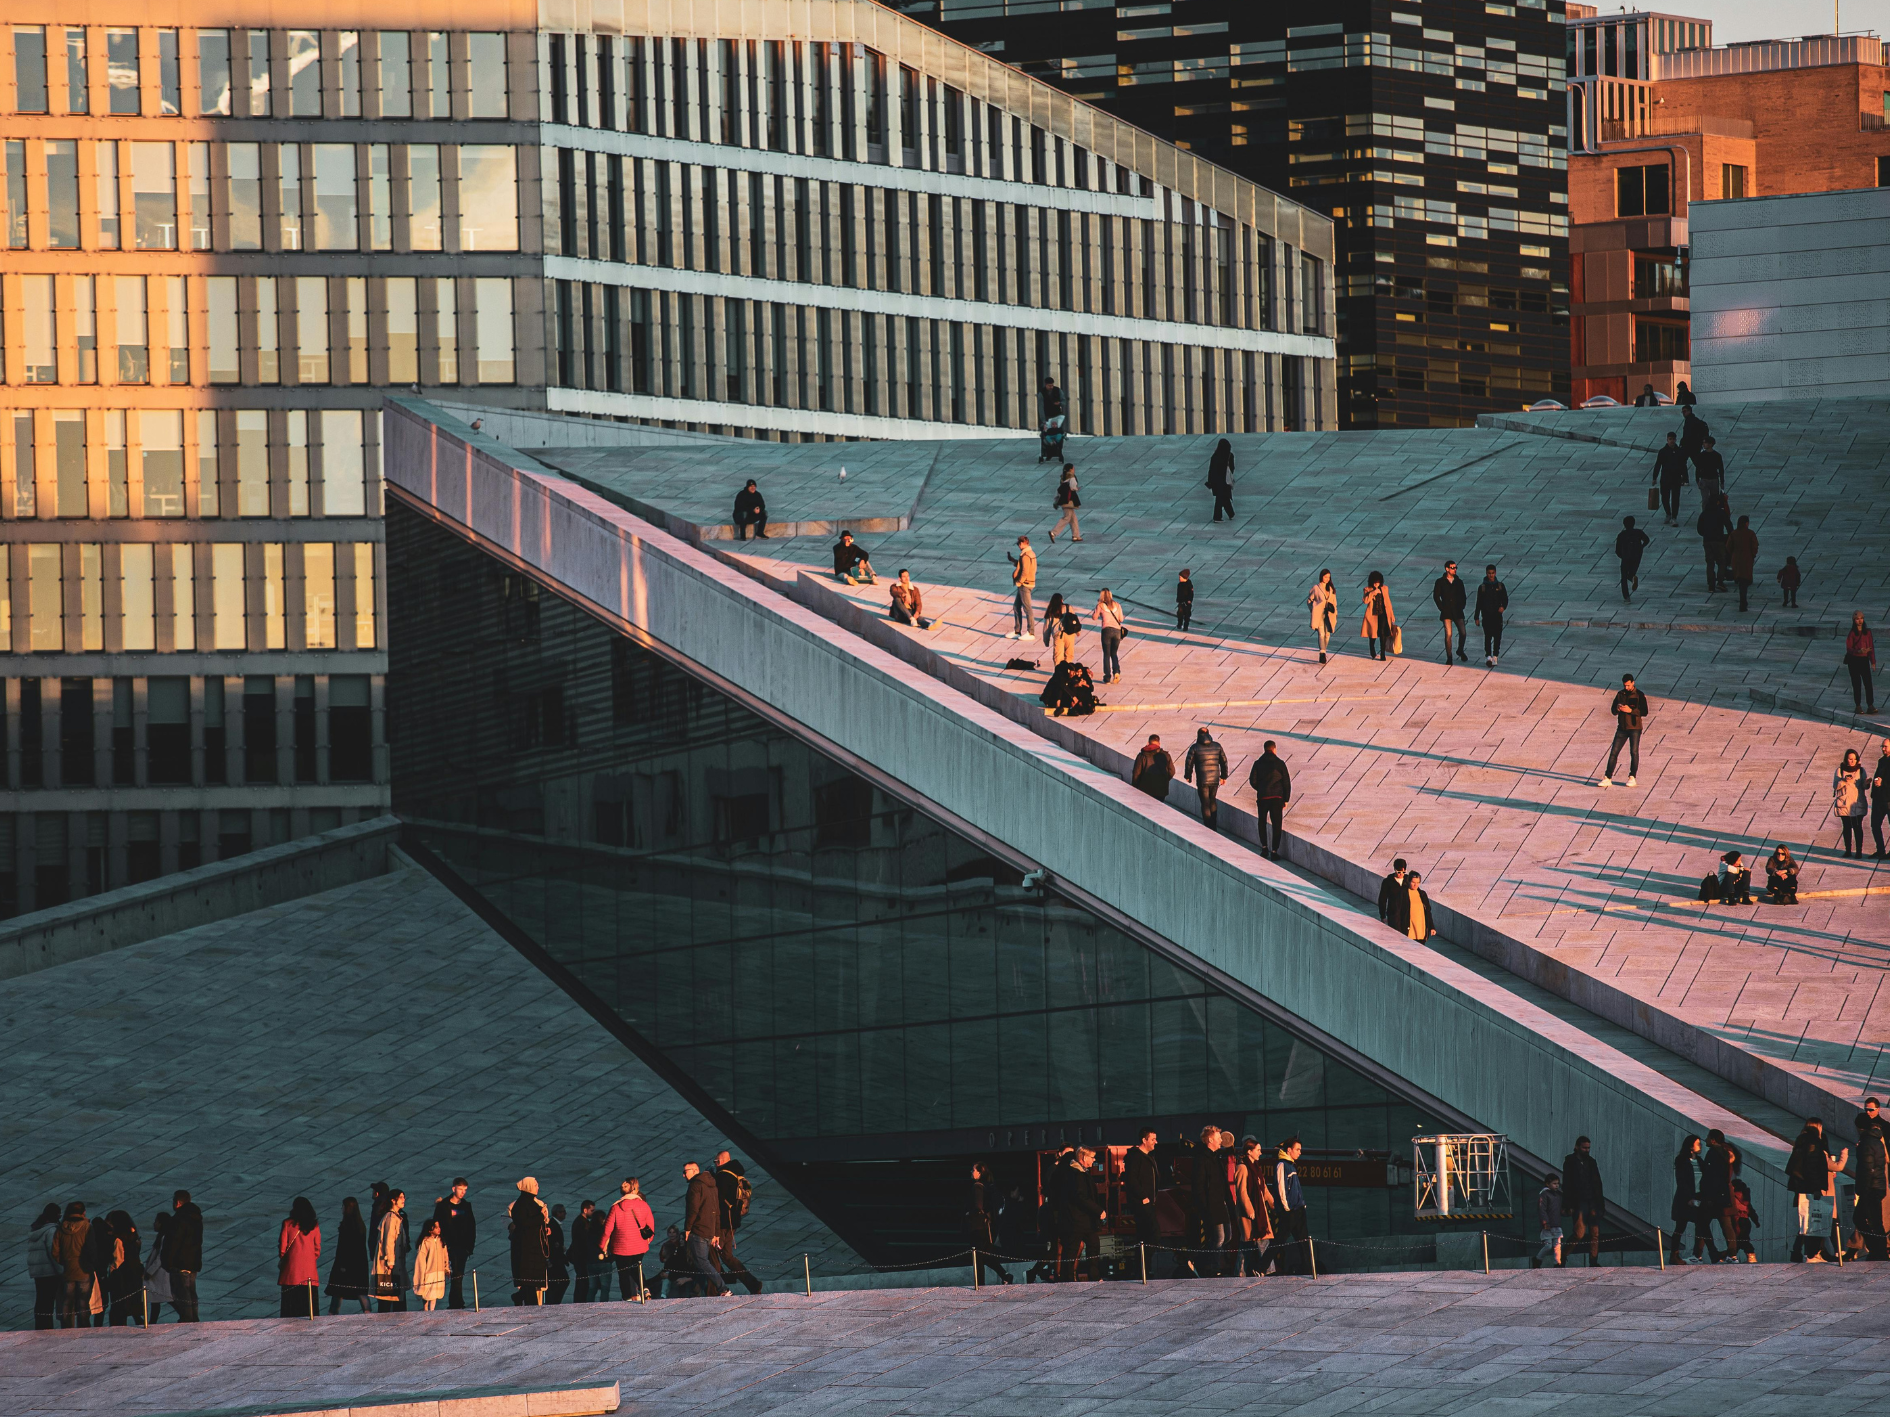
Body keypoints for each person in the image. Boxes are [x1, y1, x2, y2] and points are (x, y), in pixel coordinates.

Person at [1787, 1117, 1845, 1262]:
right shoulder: (1813, 1144)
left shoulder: (1800, 1142)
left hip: (1801, 1187)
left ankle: (1801, 1252)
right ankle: (1813, 1253)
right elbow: (1812, 1168)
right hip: (1811, 1188)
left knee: (1806, 1220)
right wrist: (1816, 1188)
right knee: (1817, 1220)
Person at [714, 1150, 764, 1295]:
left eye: (716, 1162)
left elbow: (718, 1201)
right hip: (733, 1221)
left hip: (724, 1222)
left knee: (715, 1253)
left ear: (722, 1161)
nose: (715, 1164)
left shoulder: (722, 1176)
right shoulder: (736, 1173)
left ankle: (720, 1286)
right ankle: (753, 1284)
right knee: (727, 1255)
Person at [600, 1177, 656, 1301]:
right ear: (635, 1189)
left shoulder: (615, 1207)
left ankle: (627, 1298)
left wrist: (602, 1246)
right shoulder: (643, 1205)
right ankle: (644, 1288)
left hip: (621, 1247)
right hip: (639, 1246)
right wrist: (647, 1240)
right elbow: (651, 1226)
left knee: (623, 1274)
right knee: (637, 1268)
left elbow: (607, 1230)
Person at [1057, 1147, 1106, 1282]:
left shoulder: (1079, 1172)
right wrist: (1098, 1210)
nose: (1094, 1160)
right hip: (1078, 1219)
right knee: (1074, 1249)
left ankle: (1092, 1276)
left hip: (1083, 1219)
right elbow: (1081, 1197)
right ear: (1084, 1158)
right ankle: (1067, 1279)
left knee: (1091, 1245)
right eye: (1092, 1157)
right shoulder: (1077, 1174)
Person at [682, 1161, 730, 1297]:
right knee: (702, 1262)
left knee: (702, 1262)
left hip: (698, 1230)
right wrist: (716, 1233)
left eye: (685, 1172)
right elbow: (717, 1210)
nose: (683, 1175)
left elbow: (693, 1210)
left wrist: (687, 1229)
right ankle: (699, 1291)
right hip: (709, 1230)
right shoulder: (712, 1185)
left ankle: (723, 1289)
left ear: (694, 1171)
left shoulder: (695, 1185)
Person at [1191, 1126, 1233, 1278]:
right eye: (1218, 1137)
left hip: (1221, 1205)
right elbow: (1199, 1186)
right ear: (1210, 1140)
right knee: (1219, 1237)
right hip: (1211, 1205)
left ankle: (1200, 1260)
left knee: (1227, 1236)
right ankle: (1213, 1268)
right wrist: (1204, 1207)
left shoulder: (1216, 1158)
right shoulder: (1202, 1159)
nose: (1221, 1140)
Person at [1854, 1097, 1890, 1262]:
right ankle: (1878, 1250)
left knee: (1866, 1219)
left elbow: (1867, 1167)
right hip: (1877, 1184)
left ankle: (1878, 1251)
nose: (1868, 1113)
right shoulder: (1873, 1139)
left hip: (1871, 1187)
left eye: (1871, 1109)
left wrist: (1863, 1189)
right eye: (1866, 1109)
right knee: (1873, 1220)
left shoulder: (1868, 1141)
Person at [1560, 1137, 1605, 1266]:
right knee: (1579, 1233)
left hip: (1592, 1202)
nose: (1587, 1150)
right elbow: (1567, 1183)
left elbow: (1597, 1183)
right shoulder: (1570, 1161)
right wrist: (1567, 1204)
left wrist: (1600, 1205)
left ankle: (1593, 1261)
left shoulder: (1591, 1162)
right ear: (1577, 1147)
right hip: (1579, 1202)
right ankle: (1563, 1256)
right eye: (1584, 1147)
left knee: (1595, 1233)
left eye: (1588, 1148)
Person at [1598, 674, 1648, 788]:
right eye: (1625, 685)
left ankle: (1632, 776)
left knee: (1634, 752)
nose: (1626, 687)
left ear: (1633, 683)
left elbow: (1644, 711)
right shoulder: (1620, 694)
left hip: (1635, 728)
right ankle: (1608, 777)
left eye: (1628, 685)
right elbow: (1613, 710)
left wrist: (1631, 710)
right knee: (1614, 752)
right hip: (1622, 728)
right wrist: (1618, 708)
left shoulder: (1639, 695)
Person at [1234, 1136, 1275, 1277]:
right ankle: (1261, 1270)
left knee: (1257, 1241)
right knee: (1250, 1242)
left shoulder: (1256, 1168)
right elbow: (1242, 1192)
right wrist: (1250, 1210)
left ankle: (1252, 1271)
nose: (1260, 1152)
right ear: (1250, 1151)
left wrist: (1272, 1203)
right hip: (1250, 1213)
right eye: (1258, 1150)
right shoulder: (1242, 1168)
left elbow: (1263, 1189)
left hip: (1260, 1212)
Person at [432, 1178, 475, 1310]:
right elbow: (436, 1224)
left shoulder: (466, 1206)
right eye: (460, 1189)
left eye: (465, 1190)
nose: (463, 1192)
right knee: (455, 1274)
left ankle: (456, 1302)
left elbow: (471, 1226)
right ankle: (456, 1302)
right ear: (453, 1189)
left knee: (458, 1274)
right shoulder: (444, 1205)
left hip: (462, 1246)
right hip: (448, 1245)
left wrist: (469, 1247)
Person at [1270, 1138, 1310, 1275]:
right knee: (1279, 1240)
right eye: (1297, 1149)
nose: (1300, 1152)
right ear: (1289, 1150)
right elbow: (1281, 1189)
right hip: (1290, 1211)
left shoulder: (1292, 1165)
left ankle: (1308, 1268)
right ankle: (1260, 1267)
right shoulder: (1282, 1165)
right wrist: (1287, 1208)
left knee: (1304, 1241)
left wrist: (1302, 1205)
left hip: (1298, 1209)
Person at [967, 1163, 1012, 1285]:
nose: (971, 1172)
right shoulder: (988, 1186)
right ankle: (1005, 1275)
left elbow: (978, 1206)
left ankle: (980, 1284)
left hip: (977, 1226)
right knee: (985, 1256)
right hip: (986, 1227)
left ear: (979, 1173)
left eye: (973, 1170)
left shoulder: (977, 1186)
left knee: (979, 1257)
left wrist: (968, 1213)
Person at [508, 1178, 549, 1305]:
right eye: (536, 1185)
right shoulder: (521, 1205)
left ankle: (520, 1297)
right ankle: (531, 1305)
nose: (538, 1187)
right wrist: (540, 1216)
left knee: (530, 1281)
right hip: (526, 1248)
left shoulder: (531, 1203)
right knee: (529, 1280)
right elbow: (523, 1223)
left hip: (533, 1247)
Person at [326, 1196, 370, 1314]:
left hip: (345, 1266)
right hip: (359, 1264)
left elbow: (344, 1248)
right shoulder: (360, 1225)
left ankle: (332, 1313)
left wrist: (342, 1265)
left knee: (338, 1290)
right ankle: (367, 1312)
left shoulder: (347, 1226)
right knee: (360, 1291)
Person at [278, 1196, 320, 1319]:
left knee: (290, 1305)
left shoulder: (287, 1224)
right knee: (308, 1303)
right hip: (309, 1270)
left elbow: (283, 1247)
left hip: (291, 1271)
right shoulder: (314, 1225)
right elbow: (317, 1248)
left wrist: (285, 1258)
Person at [1248, 740, 1291, 861]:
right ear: (1274, 749)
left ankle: (1264, 847)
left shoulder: (1258, 763)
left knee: (1262, 822)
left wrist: (1261, 789)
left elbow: (1252, 780)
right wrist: (1286, 799)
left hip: (1263, 797)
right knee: (1276, 824)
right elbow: (1286, 783)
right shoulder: (1280, 763)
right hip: (1277, 798)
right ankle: (1274, 850)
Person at [52, 1201, 91, 1330]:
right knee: (83, 1302)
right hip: (83, 1270)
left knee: (67, 1301)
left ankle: (67, 1327)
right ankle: (83, 1326)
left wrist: (64, 1262)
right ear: (83, 1212)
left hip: (68, 1270)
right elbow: (92, 1248)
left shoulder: (61, 1228)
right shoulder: (87, 1227)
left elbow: (55, 1251)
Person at [1698, 1129, 1735, 1262]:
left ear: (1713, 1140)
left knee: (1702, 1223)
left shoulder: (1713, 1152)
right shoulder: (1726, 1153)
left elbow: (1710, 1176)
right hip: (1724, 1196)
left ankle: (1703, 1254)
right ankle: (1732, 1254)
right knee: (1726, 1225)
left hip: (1713, 1197)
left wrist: (1706, 1195)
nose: (1706, 1139)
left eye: (1708, 1137)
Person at [1124, 1130, 1162, 1259]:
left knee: (1144, 1235)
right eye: (1152, 1139)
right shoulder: (1135, 1157)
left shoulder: (1149, 1157)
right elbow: (1131, 1179)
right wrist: (1143, 1197)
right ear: (1144, 1140)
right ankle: (1144, 1264)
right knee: (1153, 1233)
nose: (1155, 1142)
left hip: (1149, 1201)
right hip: (1142, 1202)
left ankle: (1142, 1267)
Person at [166, 1189, 203, 1323]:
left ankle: (187, 1319)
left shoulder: (179, 1219)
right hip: (193, 1261)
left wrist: (168, 1262)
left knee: (182, 1293)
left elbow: (174, 1242)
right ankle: (193, 1318)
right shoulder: (196, 1217)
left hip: (180, 1262)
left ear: (178, 1203)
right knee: (191, 1291)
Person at [373, 1189, 410, 1312]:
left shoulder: (396, 1217)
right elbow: (388, 1241)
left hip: (396, 1266)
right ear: (393, 1200)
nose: (403, 1200)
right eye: (400, 1197)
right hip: (391, 1267)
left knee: (396, 1296)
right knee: (388, 1297)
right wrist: (390, 1262)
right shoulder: (390, 1218)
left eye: (403, 1197)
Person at [1183, 727, 1228, 829]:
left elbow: (1189, 763)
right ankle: (1214, 825)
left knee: (1205, 802)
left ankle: (1208, 826)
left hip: (1202, 780)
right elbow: (1224, 762)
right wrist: (1224, 776)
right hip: (1214, 779)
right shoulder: (1217, 746)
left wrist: (1188, 776)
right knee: (1212, 800)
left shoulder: (1195, 747)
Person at [1669, 1137, 1702, 1265]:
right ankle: (1674, 1254)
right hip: (1685, 1200)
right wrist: (1689, 1198)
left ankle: (1698, 1254)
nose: (1700, 1146)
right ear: (1690, 1146)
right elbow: (1681, 1181)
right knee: (1680, 1227)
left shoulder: (1700, 1161)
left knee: (1701, 1226)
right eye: (1697, 1144)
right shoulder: (1682, 1160)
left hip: (1698, 1198)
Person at [1835, 748, 1869, 856]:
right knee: (1847, 827)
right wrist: (1843, 781)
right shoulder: (1840, 770)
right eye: (1850, 759)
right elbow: (1835, 786)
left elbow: (1864, 786)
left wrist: (1866, 783)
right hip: (1844, 804)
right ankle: (1848, 850)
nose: (1852, 761)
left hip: (1857, 803)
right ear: (1846, 759)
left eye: (1854, 759)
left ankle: (1859, 851)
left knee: (1858, 827)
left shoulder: (1861, 771)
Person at [568, 1199, 605, 1302]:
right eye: (592, 1211)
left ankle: (579, 1300)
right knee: (582, 1281)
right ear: (585, 1210)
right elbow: (582, 1240)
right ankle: (579, 1301)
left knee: (582, 1281)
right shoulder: (582, 1223)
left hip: (579, 1256)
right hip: (580, 1257)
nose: (593, 1213)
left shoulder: (581, 1221)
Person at [1432, 561, 1468, 663]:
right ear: (1447, 569)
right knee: (1448, 634)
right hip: (1447, 611)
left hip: (1457, 611)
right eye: (1452, 568)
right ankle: (1449, 656)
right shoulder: (1440, 581)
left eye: (1455, 567)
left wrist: (1462, 606)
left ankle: (1460, 650)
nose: (1454, 569)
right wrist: (1441, 607)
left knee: (1463, 633)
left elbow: (1463, 595)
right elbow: (1436, 596)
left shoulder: (1459, 582)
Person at [1651, 432, 1690, 525]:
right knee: (1665, 498)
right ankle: (1668, 513)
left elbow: (1683, 466)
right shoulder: (1663, 451)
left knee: (1675, 498)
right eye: (1670, 439)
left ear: (1675, 439)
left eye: (1673, 439)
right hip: (1665, 478)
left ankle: (1674, 517)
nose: (1672, 441)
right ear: (1667, 440)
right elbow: (1658, 464)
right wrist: (1654, 477)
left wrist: (1685, 478)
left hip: (1676, 478)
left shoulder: (1680, 451)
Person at [1696, 493, 1732, 593]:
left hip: (1707, 541)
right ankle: (1720, 582)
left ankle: (1711, 585)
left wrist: (1706, 534)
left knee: (1710, 562)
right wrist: (1729, 536)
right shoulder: (1720, 513)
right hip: (1718, 540)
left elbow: (1699, 529)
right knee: (1721, 561)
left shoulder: (1704, 513)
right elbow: (1729, 525)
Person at [1473, 566, 1508, 666]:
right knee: (1487, 637)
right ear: (1486, 573)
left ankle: (1495, 655)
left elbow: (1505, 599)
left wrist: (1503, 607)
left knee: (1497, 637)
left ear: (1495, 573)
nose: (1491, 575)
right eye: (1489, 573)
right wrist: (1476, 617)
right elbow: (1478, 602)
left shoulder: (1500, 586)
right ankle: (1488, 655)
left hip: (1497, 616)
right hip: (1486, 616)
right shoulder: (1482, 587)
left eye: (1492, 573)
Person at [413, 1218, 449, 1311]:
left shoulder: (441, 1241)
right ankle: (425, 1308)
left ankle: (432, 1310)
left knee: (435, 1293)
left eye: (439, 1227)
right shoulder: (425, 1242)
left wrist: (446, 1269)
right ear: (430, 1230)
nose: (439, 1229)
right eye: (436, 1227)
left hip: (438, 1272)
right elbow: (421, 1259)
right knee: (427, 1293)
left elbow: (445, 1256)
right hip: (429, 1272)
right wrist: (422, 1273)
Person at [1845, 611, 1877, 714]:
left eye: (1861, 618)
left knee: (1868, 683)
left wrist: (1873, 661)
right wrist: (1858, 651)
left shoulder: (1867, 632)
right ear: (1854, 621)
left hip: (1864, 660)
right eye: (1857, 619)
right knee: (1856, 684)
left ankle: (1870, 705)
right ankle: (1858, 706)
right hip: (1854, 661)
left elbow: (1871, 646)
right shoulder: (1852, 633)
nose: (1860, 621)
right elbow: (1849, 648)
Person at [1389, 870, 1435, 940]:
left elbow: (1428, 912)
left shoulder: (1422, 894)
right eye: (1413, 882)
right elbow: (1397, 912)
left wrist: (1431, 927)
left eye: (1418, 883)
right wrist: (1398, 930)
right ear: (1409, 881)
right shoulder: (1402, 893)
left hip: (1421, 931)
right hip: (1408, 931)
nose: (1415, 885)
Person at [145, 1213, 174, 1323]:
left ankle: (185, 1314)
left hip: (159, 1274)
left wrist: (150, 1271)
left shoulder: (164, 1237)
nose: (154, 1224)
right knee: (156, 1299)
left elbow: (160, 1257)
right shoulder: (162, 1236)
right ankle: (152, 1322)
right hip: (157, 1275)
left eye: (156, 1221)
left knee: (165, 1297)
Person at [1613, 517, 1650, 603]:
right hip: (1637, 556)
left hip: (1626, 557)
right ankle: (1633, 578)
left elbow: (1617, 550)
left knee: (1624, 577)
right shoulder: (1638, 532)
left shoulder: (1621, 535)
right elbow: (1647, 540)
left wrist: (1622, 556)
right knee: (1632, 573)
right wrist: (1641, 547)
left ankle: (1627, 597)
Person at [1361, 572, 1395, 662]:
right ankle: (1372, 649)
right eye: (1375, 582)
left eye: (1378, 582)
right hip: (1373, 615)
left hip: (1383, 614)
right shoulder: (1367, 589)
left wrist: (1392, 615)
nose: (1376, 584)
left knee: (1382, 633)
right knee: (1373, 634)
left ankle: (1383, 654)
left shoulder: (1385, 588)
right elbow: (1365, 601)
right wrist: (1373, 593)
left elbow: (1388, 602)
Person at [1092, 589, 1125, 682]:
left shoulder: (1100, 606)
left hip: (1106, 630)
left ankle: (1107, 677)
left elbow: (1094, 617)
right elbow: (1121, 619)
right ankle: (1116, 671)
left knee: (1106, 654)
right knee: (1114, 653)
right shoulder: (1117, 605)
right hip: (1117, 631)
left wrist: (1096, 610)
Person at [1007, 536, 1036, 639]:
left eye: (1019, 544)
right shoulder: (1028, 554)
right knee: (1016, 607)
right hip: (1026, 584)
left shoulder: (1026, 555)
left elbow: (1025, 571)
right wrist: (1013, 560)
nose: (1019, 546)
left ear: (1024, 543)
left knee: (1027, 608)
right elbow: (1022, 566)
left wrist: (1019, 582)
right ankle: (1017, 631)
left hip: (1025, 584)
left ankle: (1030, 632)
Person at [1728, 515, 1759, 611]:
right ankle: (1743, 603)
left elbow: (1728, 546)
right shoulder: (1750, 533)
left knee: (1740, 579)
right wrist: (1752, 555)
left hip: (1736, 559)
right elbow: (1755, 546)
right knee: (1744, 582)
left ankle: (1743, 602)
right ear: (1746, 523)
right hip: (1747, 560)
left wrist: (1733, 555)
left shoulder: (1734, 533)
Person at [1308, 569, 1338, 665]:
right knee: (1321, 633)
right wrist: (1313, 610)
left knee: (1327, 634)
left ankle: (1324, 650)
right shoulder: (1316, 588)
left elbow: (1334, 602)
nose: (1327, 579)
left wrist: (1335, 612)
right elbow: (1309, 600)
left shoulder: (1331, 589)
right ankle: (1322, 653)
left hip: (1329, 614)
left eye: (1328, 577)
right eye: (1325, 577)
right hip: (1320, 614)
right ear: (1321, 577)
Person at [1132, 735, 1174, 800]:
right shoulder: (1166, 756)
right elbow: (1172, 772)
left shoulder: (1142, 756)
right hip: (1161, 790)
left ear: (1148, 743)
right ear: (1159, 743)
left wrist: (1134, 787)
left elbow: (1136, 774)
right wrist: (1163, 780)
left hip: (1144, 789)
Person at [1535, 1174, 1563, 1268]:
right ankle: (1537, 1259)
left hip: (1556, 1223)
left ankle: (1557, 1263)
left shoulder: (1558, 1195)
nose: (1557, 1185)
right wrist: (1545, 1222)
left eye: (1558, 1183)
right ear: (1547, 1184)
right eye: (1554, 1183)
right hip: (1548, 1225)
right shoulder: (1544, 1194)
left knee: (1557, 1246)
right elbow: (1542, 1209)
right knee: (1548, 1246)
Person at [1041, 593, 1079, 664]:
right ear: (1062, 600)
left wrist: (1046, 641)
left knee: (1058, 657)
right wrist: (1077, 631)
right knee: (1069, 655)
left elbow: (1046, 627)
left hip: (1058, 635)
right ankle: (1068, 672)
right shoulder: (1068, 607)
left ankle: (1059, 673)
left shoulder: (1051, 610)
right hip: (1070, 634)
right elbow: (1074, 620)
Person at [1050, 463, 1082, 542]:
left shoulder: (1063, 478)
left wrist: (1056, 501)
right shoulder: (1071, 477)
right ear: (1071, 469)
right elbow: (1073, 487)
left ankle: (1076, 535)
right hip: (1069, 501)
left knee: (1073, 519)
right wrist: (1077, 488)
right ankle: (1054, 532)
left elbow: (1059, 490)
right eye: (1073, 468)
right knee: (1067, 518)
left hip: (1063, 501)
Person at [545, 1205, 570, 1304]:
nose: (565, 1214)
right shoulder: (553, 1225)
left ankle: (553, 1301)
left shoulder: (554, 1223)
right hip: (555, 1261)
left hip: (556, 1260)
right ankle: (554, 1301)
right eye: (563, 1212)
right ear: (558, 1213)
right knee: (563, 1281)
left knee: (555, 1283)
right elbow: (552, 1243)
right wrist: (559, 1247)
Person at [1206, 437, 1235, 521]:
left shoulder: (1215, 456)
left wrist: (1210, 481)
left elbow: (1211, 470)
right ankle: (1218, 516)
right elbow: (1232, 468)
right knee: (1222, 498)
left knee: (1222, 498)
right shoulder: (1230, 456)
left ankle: (1230, 514)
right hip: (1225, 481)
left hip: (1216, 482)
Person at [1871, 739, 1890, 857]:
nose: (1883, 749)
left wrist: (1882, 784)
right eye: (1882, 746)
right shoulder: (1881, 761)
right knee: (1875, 824)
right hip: (1879, 799)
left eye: (1885, 747)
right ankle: (1880, 850)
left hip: (1888, 799)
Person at [1176, 568, 1194, 632]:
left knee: (1187, 615)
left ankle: (1185, 626)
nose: (1179, 578)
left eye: (1180, 577)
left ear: (1184, 578)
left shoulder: (1189, 585)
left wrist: (1189, 600)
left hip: (1187, 603)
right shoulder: (1179, 584)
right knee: (1179, 614)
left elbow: (1191, 593)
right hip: (1181, 602)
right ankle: (1179, 624)